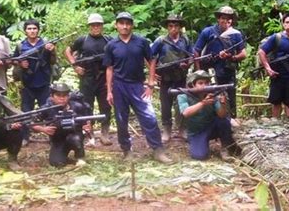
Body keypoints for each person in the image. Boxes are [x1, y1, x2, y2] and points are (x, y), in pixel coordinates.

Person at [103, 11, 172, 164]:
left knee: (149, 117)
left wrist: (150, 82)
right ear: (116, 25)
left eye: (128, 23)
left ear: (132, 25)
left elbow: (151, 60)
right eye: (121, 23)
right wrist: (109, 91)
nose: (125, 26)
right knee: (121, 120)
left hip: (138, 86)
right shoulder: (111, 45)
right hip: (119, 87)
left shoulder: (141, 42)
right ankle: (126, 150)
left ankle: (158, 150)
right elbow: (109, 69)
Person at [64, 13, 112, 146]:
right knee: (85, 106)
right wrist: (75, 66)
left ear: (102, 26)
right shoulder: (82, 40)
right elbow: (67, 51)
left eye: (98, 25)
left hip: (103, 78)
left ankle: (104, 133)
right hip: (87, 78)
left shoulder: (108, 40)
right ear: (89, 26)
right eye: (93, 25)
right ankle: (89, 134)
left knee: (106, 106)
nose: (96, 27)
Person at [193, 6, 246, 119]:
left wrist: (231, 57)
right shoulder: (208, 32)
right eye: (223, 18)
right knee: (209, 95)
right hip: (209, 70)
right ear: (218, 18)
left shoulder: (236, 34)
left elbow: (243, 54)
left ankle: (231, 119)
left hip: (227, 69)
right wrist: (199, 71)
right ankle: (209, 120)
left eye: (229, 18)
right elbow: (196, 52)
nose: (226, 21)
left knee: (230, 95)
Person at [177, 70, 241, 161]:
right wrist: (203, 103)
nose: (205, 85)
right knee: (200, 156)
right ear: (193, 85)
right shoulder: (183, 95)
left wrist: (223, 104)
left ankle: (225, 148)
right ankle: (202, 143)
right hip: (196, 132)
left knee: (224, 121)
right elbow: (186, 113)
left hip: (211, 127)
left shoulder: (212, 94)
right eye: (200, 83)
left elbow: (222, 115)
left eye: (207, 83)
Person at [13, 19, 57, 146]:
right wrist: (21, 63)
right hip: (27, 84)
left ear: (38, 30)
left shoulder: (46, 44)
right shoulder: (21, 46)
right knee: (26, 112)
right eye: (29, 29)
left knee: (49, 111)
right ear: (25, 31)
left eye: (34, 28)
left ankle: (52, 136)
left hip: (44, 83)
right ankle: (25, 137)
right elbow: (14, 60)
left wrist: (52, 50)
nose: (32, 31)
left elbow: (53, 61)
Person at [151, 14, 193, 142]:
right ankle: (167, 130)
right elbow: (150, 57)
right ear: (167, 27)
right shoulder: (161, 41)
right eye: (170, 26)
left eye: (176, 26)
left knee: (182, 103)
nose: (173, 28)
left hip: (180, 77)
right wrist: (153, 73)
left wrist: (188, 64)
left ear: (180, 27)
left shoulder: (185, 40)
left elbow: (192, 56)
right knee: (165, 104)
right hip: (165, 78)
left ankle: (182, 129)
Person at [32, 83, 92, 167]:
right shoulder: (46, 108)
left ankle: (80, 157)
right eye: (58, 95)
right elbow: (32, 123)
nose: (62, 98)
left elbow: (87, 118)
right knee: (57, 163)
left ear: (68, 96)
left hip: (74, 136)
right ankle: (62, 154)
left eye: (65, 95)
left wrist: (87, 126)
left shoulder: (77, 106)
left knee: (76, 139)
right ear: (52, 96)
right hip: (58, 140)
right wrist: (43, 129)